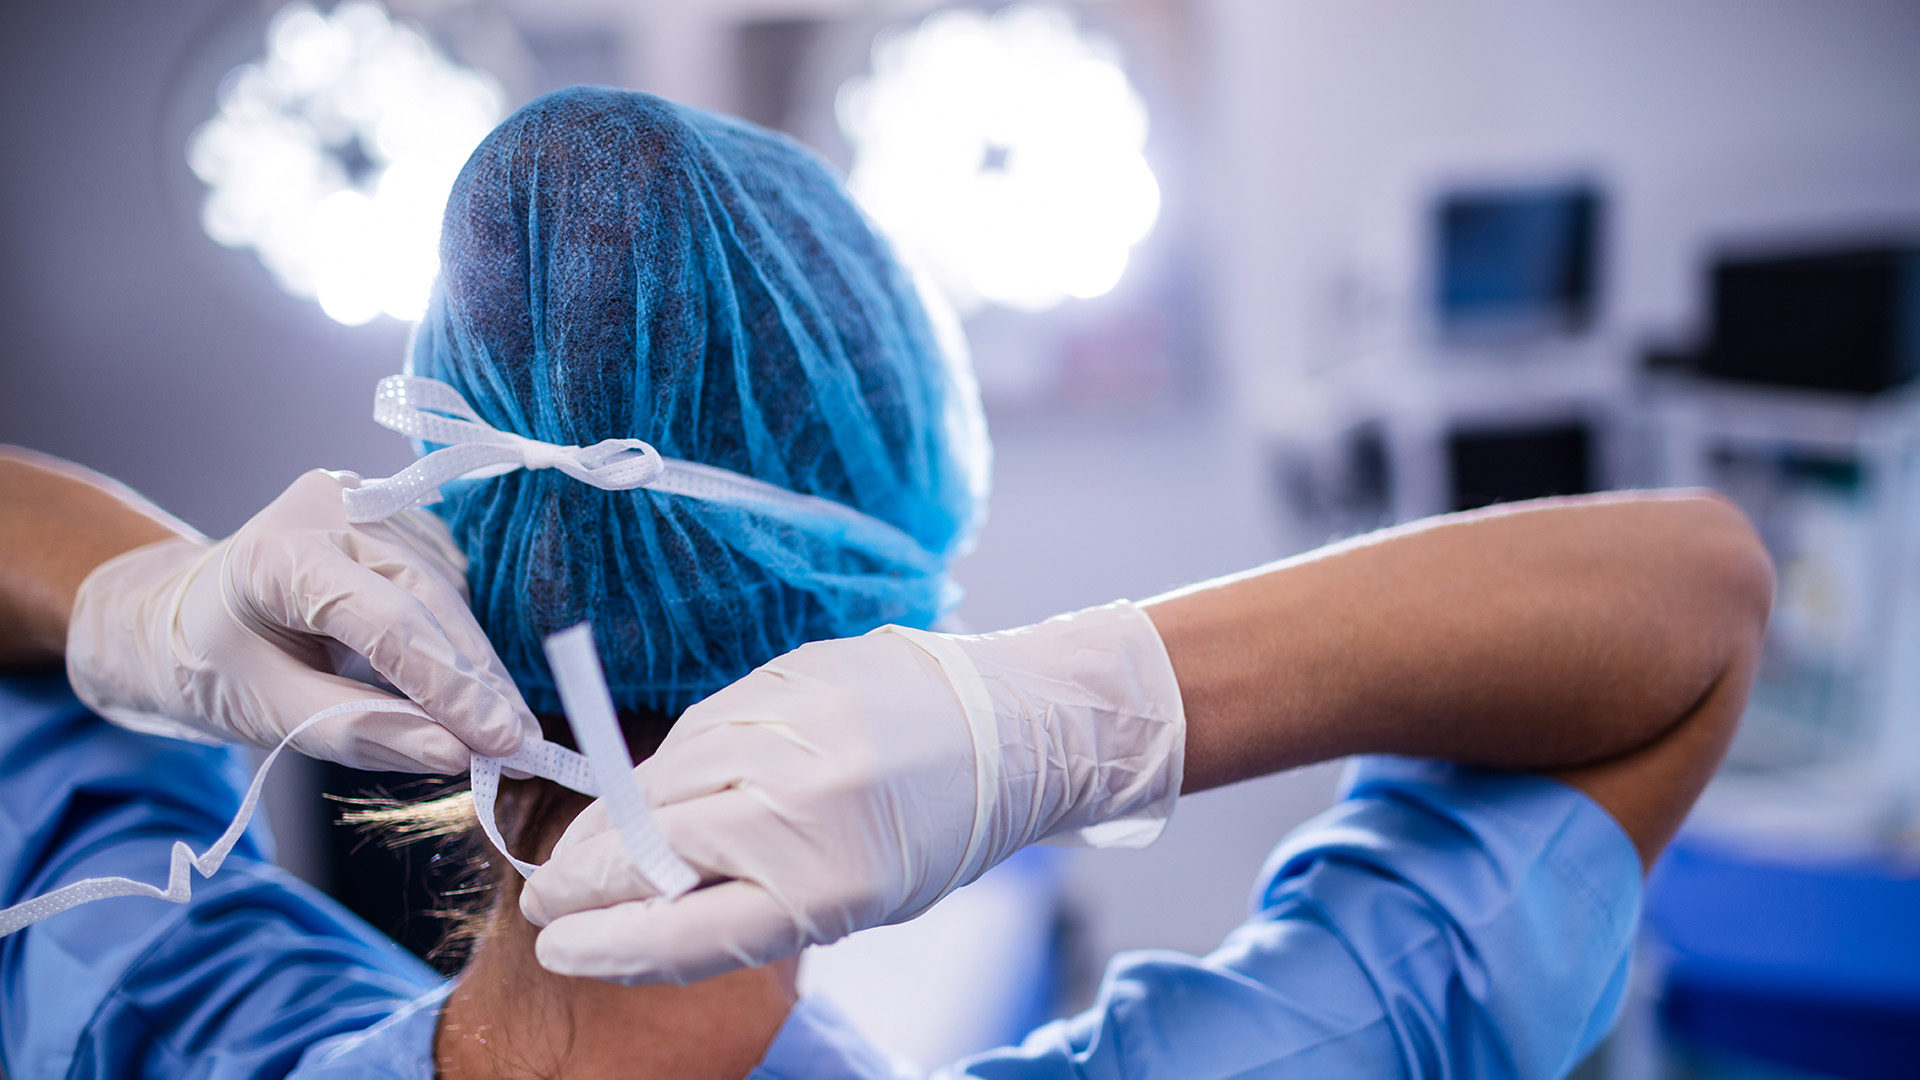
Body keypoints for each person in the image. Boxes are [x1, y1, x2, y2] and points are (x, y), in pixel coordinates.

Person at [0, 87, 1774, 1079]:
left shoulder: (159, 1013)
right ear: (886, 637)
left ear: (420, 559)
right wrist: (1064, 721)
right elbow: (1689, 604)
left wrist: (154, 608)